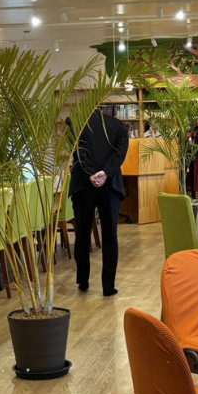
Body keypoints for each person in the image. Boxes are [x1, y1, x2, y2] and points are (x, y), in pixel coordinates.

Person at [68, 109, 129, 296]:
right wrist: (105, 173)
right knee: (110, 235)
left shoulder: (74, 123)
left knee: (82, 234)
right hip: (110, 185)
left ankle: (83, 280)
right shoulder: (119, 126)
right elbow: (119, 154)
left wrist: (91, 173)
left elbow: (79, 152)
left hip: (83, 185)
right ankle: (108, 286)